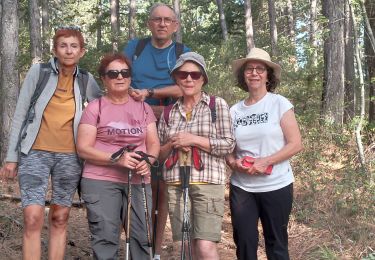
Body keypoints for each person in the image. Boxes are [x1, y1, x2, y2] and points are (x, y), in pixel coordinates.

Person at [0, 26, 102, 260]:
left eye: (73, 46)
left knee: (60, 217)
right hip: (34, 153)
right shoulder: (40, 72)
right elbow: (20, 113)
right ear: (55, 50)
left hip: (70, 157)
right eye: (63, 46)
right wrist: (11, 158)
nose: (68, 50)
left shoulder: (86, 79)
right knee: (32, 217)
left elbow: (102, 109)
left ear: (82, 52)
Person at [76, 53, 160, 260]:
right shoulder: (95, 108)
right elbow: (83, 148)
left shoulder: (143, 107)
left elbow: (153, 143)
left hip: (139, 180)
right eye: (113, 73)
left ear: (131, 77)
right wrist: (117, 159)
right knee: (105, 238)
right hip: (100, 180)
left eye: (125, 72)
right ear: (104, 79)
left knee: (142, 237)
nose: (120, 77)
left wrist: (148, 161)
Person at [123, 3, 191, 259]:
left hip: (171, 121)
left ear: (176, 25)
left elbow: (186, 88)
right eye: (157, 19)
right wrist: (135, 101)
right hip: (136, 122)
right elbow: (121, 78)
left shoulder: (183, 51)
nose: (162, 24)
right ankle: (140, 242)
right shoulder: (135, 48)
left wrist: (151, 94)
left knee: (163, 188)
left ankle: (157, 250)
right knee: (140, 182)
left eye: (167, 20)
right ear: (149, 23)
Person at [225, 48, 303, 260]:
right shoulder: (234, 111)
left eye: (260, 69)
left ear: (268, 75)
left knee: (276, 242)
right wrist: (233, 163)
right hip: (242, 187)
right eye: (249, 69)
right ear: (243, 75)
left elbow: (296, 144)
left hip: (277, 185)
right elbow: (228, 149)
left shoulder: (279, 103)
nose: (254, 73)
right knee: (245, 241)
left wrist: (265, 161)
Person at [158, 52, 235, 260]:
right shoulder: (168, 113)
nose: (189, 79)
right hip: (175, 182)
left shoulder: (216, 106)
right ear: (176, 78)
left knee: (205, 244)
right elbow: (159, 154)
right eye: (183, 74)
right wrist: (172, 143)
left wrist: (193, 139)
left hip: (209, 182)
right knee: (185, 245)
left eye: (195, 74)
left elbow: (228, 144)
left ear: (203, 78)